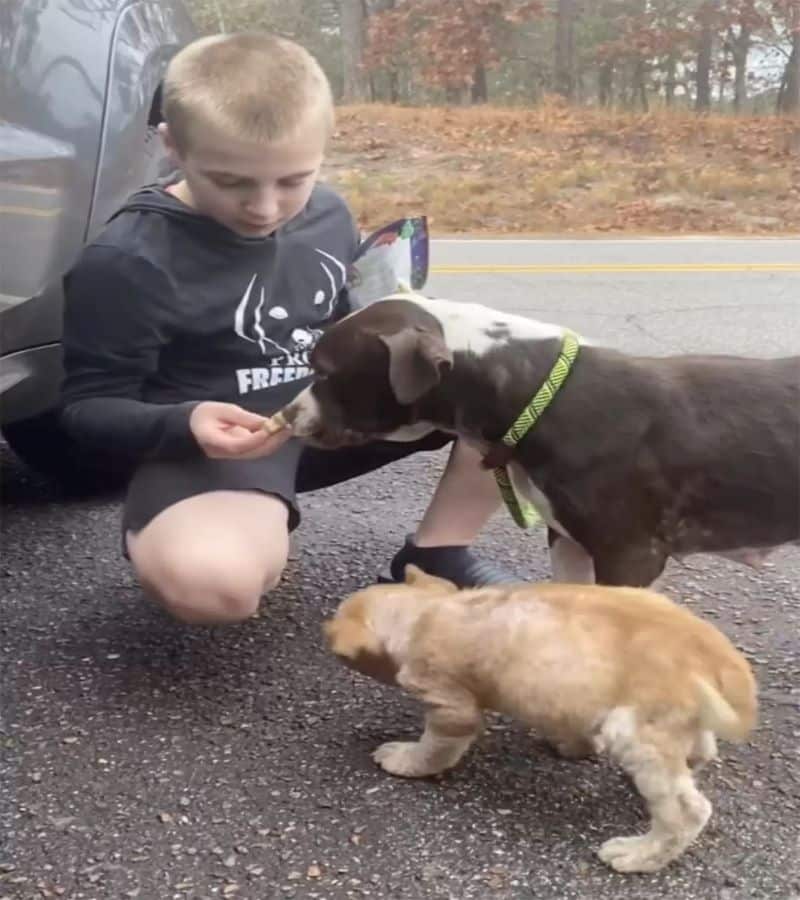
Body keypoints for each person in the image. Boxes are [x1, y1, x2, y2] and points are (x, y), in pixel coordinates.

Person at [59, 31, 515, 627]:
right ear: (172, 145)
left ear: (324, 147)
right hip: (214, 446)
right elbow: (85, 410)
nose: (266, 208)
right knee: (213, 588)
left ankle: (435, 554)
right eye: (231, 181)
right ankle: (243, 520)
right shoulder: (128, 260)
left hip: (334, 418)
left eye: (292, 180)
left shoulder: (326, 211)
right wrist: (185, 421)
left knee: (524, 385)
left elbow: (341, 318)